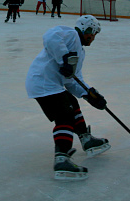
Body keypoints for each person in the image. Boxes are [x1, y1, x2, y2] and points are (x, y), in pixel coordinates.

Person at [25, 15, 110, 181]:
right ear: (88, 30)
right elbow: (50, 36)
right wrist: (64, 57)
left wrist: (90, 94)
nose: (93, 38)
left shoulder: (80, 51)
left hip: (50, 84)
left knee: (72, 102)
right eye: (94, 34)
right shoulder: (71, 35)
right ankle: (61, 159)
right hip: (43, 82)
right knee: (64, 117)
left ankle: (86, 139)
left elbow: (72, 80)